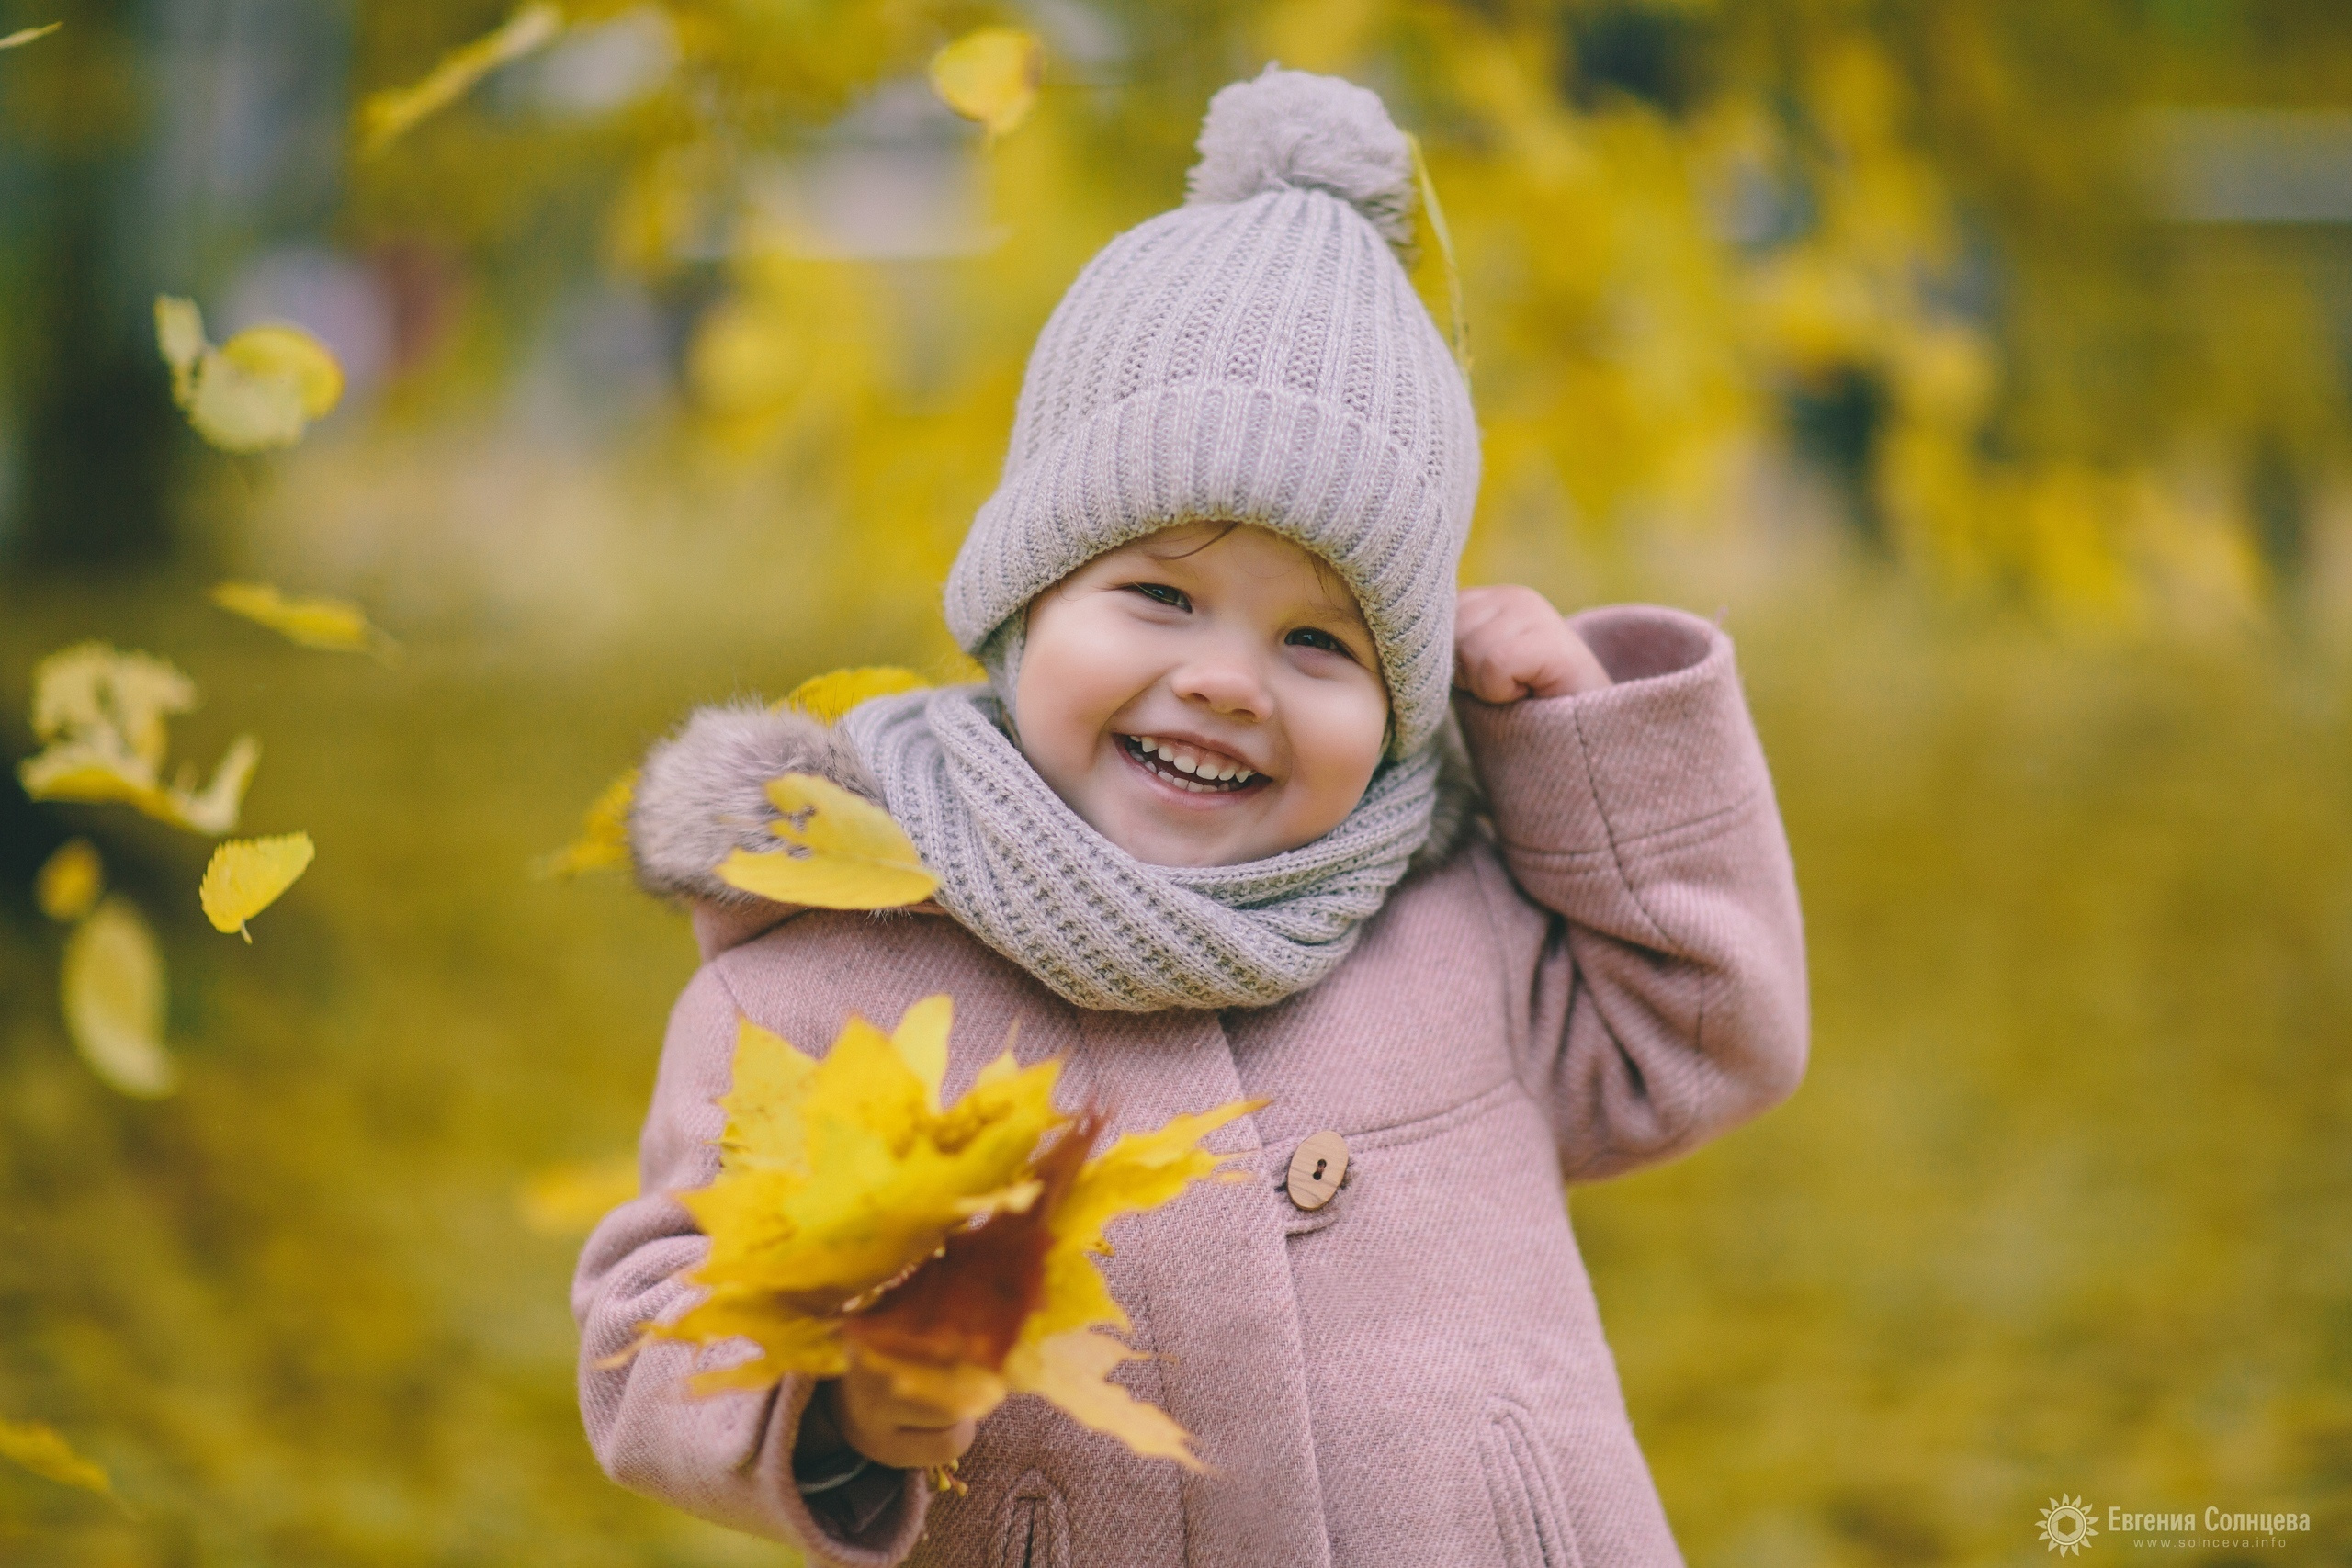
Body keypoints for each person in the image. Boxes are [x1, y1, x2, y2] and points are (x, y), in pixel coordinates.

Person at [575, 66, 1807, 1568]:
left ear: (1403, 703)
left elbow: (1710, 1030)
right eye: (1159, 595)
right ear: (1025, 603)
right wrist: (828, 1396)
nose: (1227, 680)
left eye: (1320, 641)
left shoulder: (1451, 929)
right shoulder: (830, 965)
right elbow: (653, 1317)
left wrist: (1573, 735)